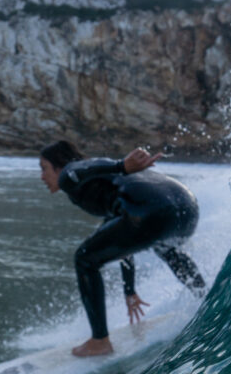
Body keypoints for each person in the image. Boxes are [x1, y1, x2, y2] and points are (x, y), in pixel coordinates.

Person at [39, 140, 207, 357]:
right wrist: (129, 289)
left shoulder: (71, 174)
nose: (42, 177)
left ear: (59, 165)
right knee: (164, 246)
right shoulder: (105, 184)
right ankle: (206, 301)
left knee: (84, 259)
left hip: (152, 209)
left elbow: (75, 170)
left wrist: (121, 165)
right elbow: (121, 242)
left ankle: (99, 342)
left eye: (44, 169)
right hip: (186, 208)